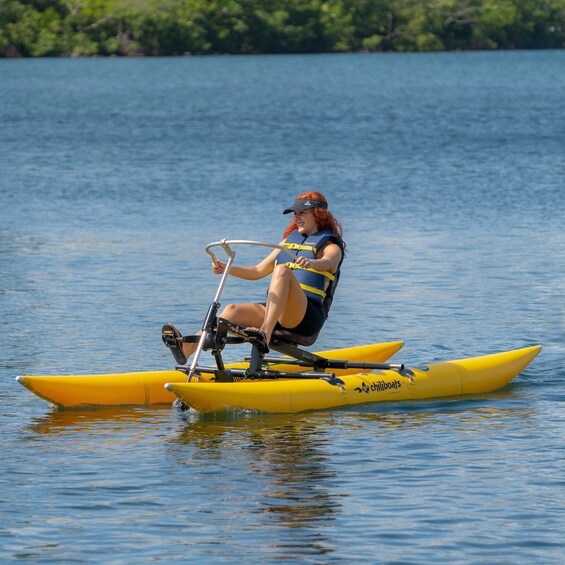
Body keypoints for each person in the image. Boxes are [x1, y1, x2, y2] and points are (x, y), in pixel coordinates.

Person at [162, 191, 345, 363]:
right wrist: (227, 268)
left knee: (282, 270)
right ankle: (185, 349)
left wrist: (314, 263)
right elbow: (257, 271)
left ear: (318, 215)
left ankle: (265, 332)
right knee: (231, 311)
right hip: (277, 312)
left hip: (305, 318)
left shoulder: (330, 246)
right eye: (295, 213)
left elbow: (328, 262)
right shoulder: (289, 242)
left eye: (302, 213)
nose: (297, 217)